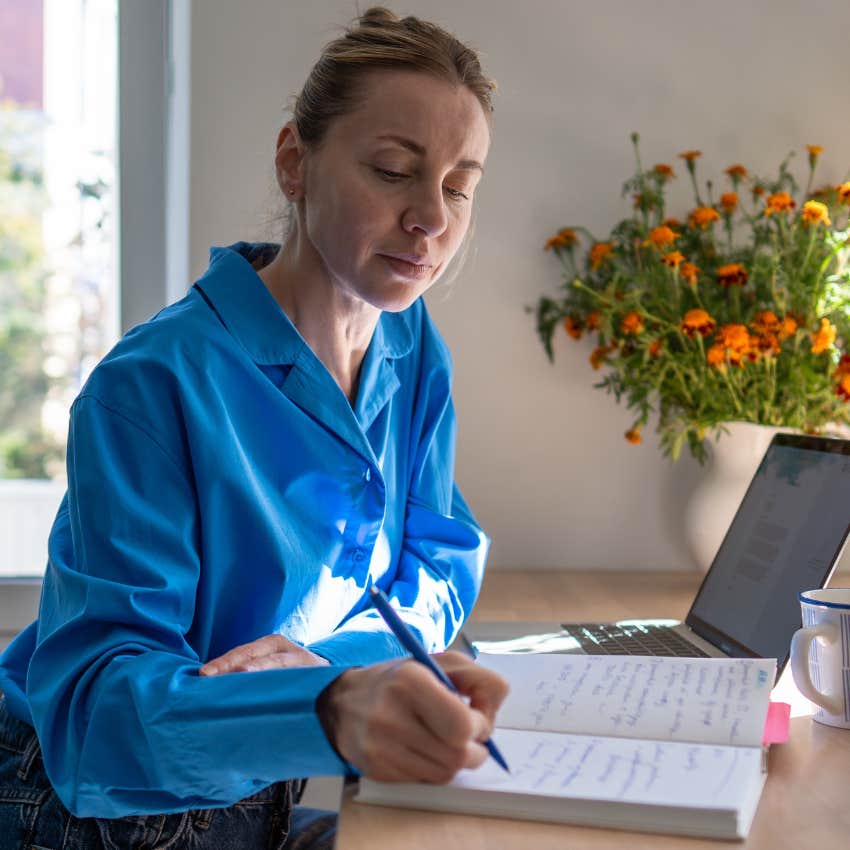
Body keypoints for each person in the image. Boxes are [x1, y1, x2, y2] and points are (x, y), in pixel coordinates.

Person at [0, 7, 508, 849]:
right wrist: (334, 704)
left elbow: (442, 560)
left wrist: (331, 672)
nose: (432, 218)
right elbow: (97, 720)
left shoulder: (412, 348)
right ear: (293, 164)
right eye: (394, 169)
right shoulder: (153, 386)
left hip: (266, 780)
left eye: (460, 186)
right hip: (83, 805)